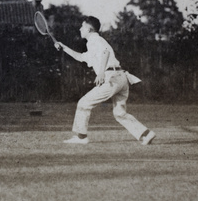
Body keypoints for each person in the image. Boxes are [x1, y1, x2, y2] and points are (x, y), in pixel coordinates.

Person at [55, 16, 156, 145]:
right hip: (121, 78)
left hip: (111, 78)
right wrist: (63, 47)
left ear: (89, 29)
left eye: (82, 26)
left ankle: (81, 137)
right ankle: (146, 134)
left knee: (83, 103)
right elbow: (80, 57)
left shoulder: (95, 40)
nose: (80, 29)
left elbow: (105, 52)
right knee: (119, 113)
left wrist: (101, 72)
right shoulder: (94, 43)